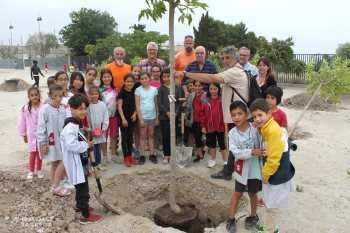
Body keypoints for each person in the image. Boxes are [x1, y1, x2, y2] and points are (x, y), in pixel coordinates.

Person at [175, 45, 250, 180]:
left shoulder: (235, 72)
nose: (224, 61)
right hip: (236, 117)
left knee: (239, 147)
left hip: (239, 118)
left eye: (227, 58)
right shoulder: (234, 71)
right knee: (235, 147)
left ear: (236, 59)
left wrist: (185, 74)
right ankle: (228, 172)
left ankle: (245, 178)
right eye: (222, 58)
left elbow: (210, 79)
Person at [250, 99, 295, 233]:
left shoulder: (274, 131)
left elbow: (274, 157)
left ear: (269, 113)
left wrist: (266, 174)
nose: (257, 119)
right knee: (269, 199)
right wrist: (257, 125)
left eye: (260, 115)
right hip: (273, 170)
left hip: (276, 171)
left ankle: (270, 229)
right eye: (254, 116)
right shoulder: (267, 126)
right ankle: (270, 225)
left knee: (272, 203)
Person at [60, 94, 102, 224]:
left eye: (85, 108)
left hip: (81, 161)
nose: (83, 112)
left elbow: (79, 134)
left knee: (80, 186)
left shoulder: (76, 123)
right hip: (75, 162)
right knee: (83, 188)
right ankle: (85, 215)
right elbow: (71, 145)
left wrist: (87, 131)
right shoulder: (70, 127)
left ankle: (79, 206)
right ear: (71, 109)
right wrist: (86, 145)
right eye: (80, 109)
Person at [226, 101, 264, 232]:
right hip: (241, 168)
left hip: (255, 168)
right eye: (233, 115)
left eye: (239, 114)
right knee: (238, 193)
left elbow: (263, 143)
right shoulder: (232, 133)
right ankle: (231, 218)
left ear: (247, 114)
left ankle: (253, 216)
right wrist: (252, 152)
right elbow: (235, 152)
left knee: (253, 193)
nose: (236, 117)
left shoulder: (255, 130)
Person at [36, 84, 70, 196]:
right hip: (51, 141)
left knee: (57, 161)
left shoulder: (62, 108)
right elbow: (40, 127)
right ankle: (55, 186)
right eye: (55, 96)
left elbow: (65, 125)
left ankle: (56, 184)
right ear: (49, 96)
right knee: (58, 161)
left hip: (61, 141)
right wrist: (42, 143)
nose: (58, 99)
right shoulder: (45, 109)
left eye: (60, 96)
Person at [17, 87, 45, 180]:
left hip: (40, 134)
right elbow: (22, 122)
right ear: (29, 96)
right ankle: (31, 171)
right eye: (32, 95)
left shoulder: (43, 107)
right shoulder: (26, 108)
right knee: (32, 153)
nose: (34, 97)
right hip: (30, 134)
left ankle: (39, 170)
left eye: (36, 95)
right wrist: (23, 134)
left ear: (39, 95)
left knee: (39, 153)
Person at [135, 71, 159, 165]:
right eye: (142, 79)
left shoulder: (154, 90)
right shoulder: (138, 90)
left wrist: (157, 117)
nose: (144, 80)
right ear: (139, 80)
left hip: (152, 116)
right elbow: (137, 105)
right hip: (143, 116)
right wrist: (140, 119)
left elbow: (156, 104)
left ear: (149, 78)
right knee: (143, 135)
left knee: (151, 134)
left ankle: (152, 154)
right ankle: (142, 155)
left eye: (146, 78)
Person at [200, 83, 227, 168]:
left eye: (215, 89)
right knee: (212, 143)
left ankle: (225, 161)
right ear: (209, 90)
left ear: (218, 89)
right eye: (211, 89)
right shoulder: (206, 101)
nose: (213, 91)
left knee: (222, 143)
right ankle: (213, 160)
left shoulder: (223, 100)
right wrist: (203, 126)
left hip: (221, 126)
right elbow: (202, 114)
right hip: (210, 126)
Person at [158, 68, 181, 164]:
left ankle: (171, 154)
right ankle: (166, 154)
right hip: (164, 117)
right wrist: (167, 113)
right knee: (165, 136)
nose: (167, 79)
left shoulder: (176, 88)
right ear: (162, 78)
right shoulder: (161, 88)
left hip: (174, 117)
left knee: (173, 136)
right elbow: (159, 103)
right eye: (165, 77)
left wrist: (175, 113)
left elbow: (179, 102)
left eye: (168, 76)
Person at [99, 69, 120, 165]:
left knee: (114, 135)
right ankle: (104, 156)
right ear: (101, 78)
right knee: (104, 137)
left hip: (114, 116)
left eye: (108, 76)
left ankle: (113, 154)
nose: (107, 79)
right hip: (103, 118)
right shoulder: (98, 90)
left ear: (111, 77)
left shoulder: (116, 89)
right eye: (105, 77)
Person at [117, 73, 138, 167]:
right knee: (124, 138)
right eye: (128, 81)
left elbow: (135, 105)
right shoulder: (122, 93)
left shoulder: (134, 92)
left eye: (131, 81)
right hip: (123, 119)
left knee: (130, 138)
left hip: (131, 118)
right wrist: (123, 119)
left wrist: (134, 114)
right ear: (124, 82)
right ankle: (125, 157)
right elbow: (119, 106)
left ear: (134, 82)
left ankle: (130, 155)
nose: (129, 83)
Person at [184, 81, 207, 162]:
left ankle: (204, 147)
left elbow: (206, 107)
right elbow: (190, 107)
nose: (197, 87)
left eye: (199, 86)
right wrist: (186, 106)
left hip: (202, 119)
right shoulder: (192, 95)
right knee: (195, 137)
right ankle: (200, 155)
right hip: (194, 119)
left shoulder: (205, 95)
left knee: (197, 138)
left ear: (202, 86)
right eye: (196, 86)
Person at [87, 86, 109, 171]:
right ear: (89, 94)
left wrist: (104, 128)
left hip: (100, 131)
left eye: (95, 94)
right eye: (91, 94)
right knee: (92, 148)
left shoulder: (102, 104)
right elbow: (87, 118)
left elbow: (106, 117)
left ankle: (98, 163)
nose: (94, 96)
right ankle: (93, 164)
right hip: (92, 132)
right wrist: (90, 130)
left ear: (98, 94)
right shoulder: (88, 106)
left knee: (99, 147)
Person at [131, 64, 142, 159]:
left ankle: (138, 149)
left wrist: (136, 112)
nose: (137, 73)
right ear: (131, 71)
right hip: (130, 111)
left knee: (138, 131)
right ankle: (131, 148)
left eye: (138, 71)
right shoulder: (129, 83)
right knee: (132, 131)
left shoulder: (141, 85)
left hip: (139, 111)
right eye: (135, 71)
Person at [183, 79, 194, 147]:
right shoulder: (187, 96)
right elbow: (186, 110)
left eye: (191, 85)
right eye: (188, 87)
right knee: (190, 134)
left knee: (199, 135)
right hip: (189, 118)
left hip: (197, 118)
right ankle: (190, 148)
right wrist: (186, 119)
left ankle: (200, 148)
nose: (190, 88)